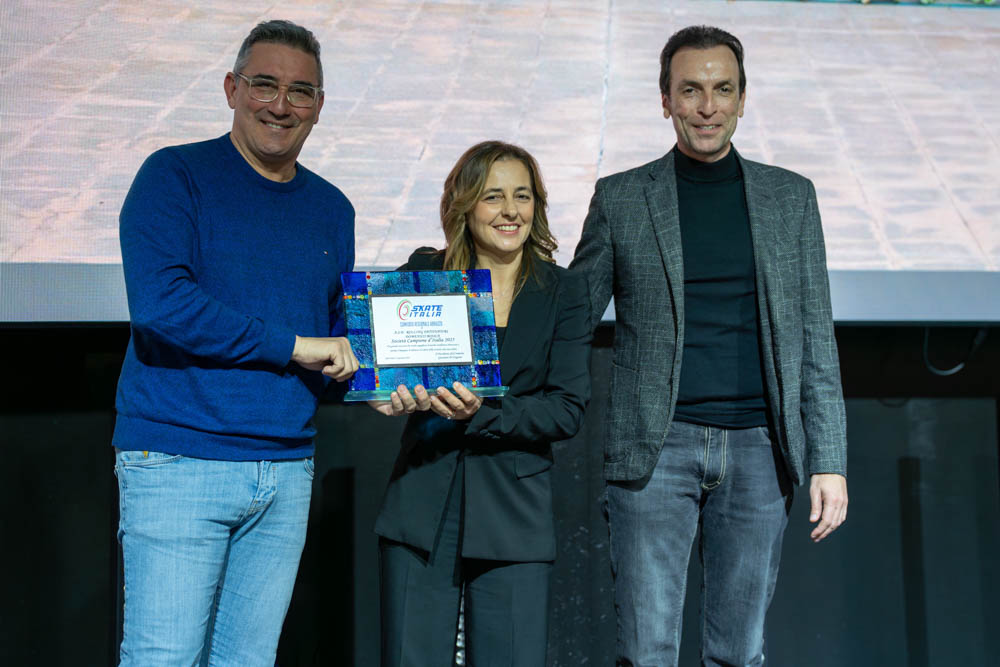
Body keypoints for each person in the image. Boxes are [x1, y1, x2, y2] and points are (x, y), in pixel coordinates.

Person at [570, 25, 849, 666]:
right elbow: (572, 316)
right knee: (645, 654)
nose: (706, 106)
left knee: (739, 655)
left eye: (722, 90)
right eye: (690, 90)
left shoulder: (791, 198)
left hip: (759, 451)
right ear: (665, 99)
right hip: (655, 450)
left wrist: (829, 459)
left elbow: (815, 339)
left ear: (742, 99)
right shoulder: (622, 198)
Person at [112, 19, 358, 666]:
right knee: (162, 658)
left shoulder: (333, 209)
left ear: (319, 106)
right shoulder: (174, 176)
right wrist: (295, 346)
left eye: (300, 91)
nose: (281, 105)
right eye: (264, 85)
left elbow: (335, 341)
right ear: (231, 88)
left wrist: (388, 383)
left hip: (285, 469)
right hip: (178, 459)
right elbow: (162, 308)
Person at [370, 141, 592, 667]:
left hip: (514, 516)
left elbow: (566, 409)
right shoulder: (427, 272)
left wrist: (482, 414)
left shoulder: (564, 290)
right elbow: (369, 355)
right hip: (422, 506)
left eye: (523, 195)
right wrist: (379, 389)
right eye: (493, 196)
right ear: (465, 205)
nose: (510, 211)